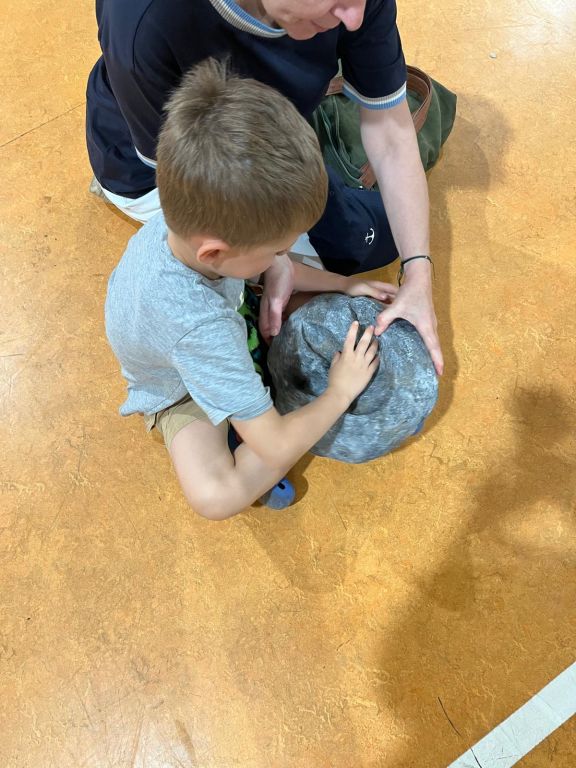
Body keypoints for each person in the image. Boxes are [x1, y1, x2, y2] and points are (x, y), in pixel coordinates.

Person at [105, 59, 401, 520]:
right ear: (215, 253)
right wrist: (340, 392)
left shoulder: (188, 216)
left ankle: (248, 398)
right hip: (176, 384)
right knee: (215, 496)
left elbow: (267, 267)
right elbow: (276, 445)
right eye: (277, 248)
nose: (285, 255)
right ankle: (246, 414)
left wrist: (347, 284)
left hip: (210, 321)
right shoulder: (199, 328)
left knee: (282, 282)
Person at [88, 0, 443, 376]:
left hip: (263, 134)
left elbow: (390, 131)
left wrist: (418, 273)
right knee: (325, 259)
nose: (355, 18)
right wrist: (273, 260)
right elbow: (185, 187)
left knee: (377, 239)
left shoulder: (348, 8)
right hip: (158, 172)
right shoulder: (144, 18)